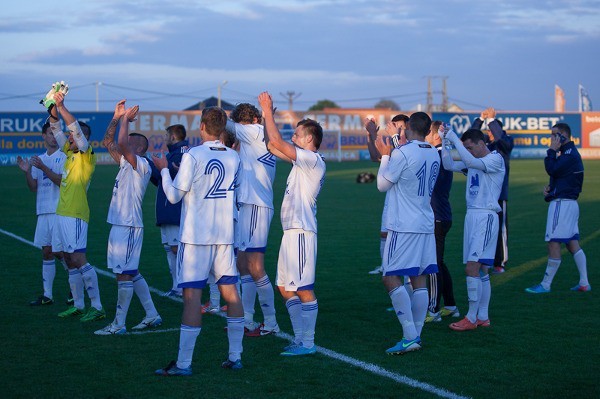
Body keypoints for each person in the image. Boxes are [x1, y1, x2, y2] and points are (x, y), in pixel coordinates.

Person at [154, 106, 244, 376]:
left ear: (203, 126)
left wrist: (164, 171)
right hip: (224, 236)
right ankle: (235, 356)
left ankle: (183, 364)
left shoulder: (193, 154)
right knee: (231, 295)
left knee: (192, 297)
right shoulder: (233, 157)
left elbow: (173, 196)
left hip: (196, 238)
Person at [258, 91, 326, 356]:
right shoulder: (302, 162)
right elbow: (271, 145)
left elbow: (276, 140)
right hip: (291, 233)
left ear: (309, 139)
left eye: (297, 134)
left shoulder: (312, 160)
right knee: (285, 288)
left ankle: (308, 342)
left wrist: (266, 110)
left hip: (301, 232)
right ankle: (299, 338)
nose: (293, 137)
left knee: (304, 289)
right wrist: (268, 119)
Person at [373, 111, 439, 354]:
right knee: (418, 278)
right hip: (425, 222)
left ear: (409, 127)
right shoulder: (433, 151)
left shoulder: (403, 152)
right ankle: (416, 334)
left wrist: (385, 156)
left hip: (404, 225)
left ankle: (410, 336)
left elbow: (382, 185)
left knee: (390, 277)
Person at [94, 100, 162, 335]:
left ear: (139, 149)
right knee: (128, 272)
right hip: (119, 224)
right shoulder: (125, 161)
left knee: (124, 274)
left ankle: (119, 324)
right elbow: (108, 142)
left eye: (130, 142)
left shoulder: (140, 163)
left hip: (129, 225)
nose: (125, 144)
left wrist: (126, 120)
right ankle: (152, 314)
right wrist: (116, 116)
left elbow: (121, 142)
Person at [46, 87, 105, 322]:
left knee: (79, 258)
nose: (68, 138)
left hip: (76, 214)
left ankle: (97, 307)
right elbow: (55, 127)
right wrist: (52, 105)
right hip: (62, 213)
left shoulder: (85, 154)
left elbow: (73, 129)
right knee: (67, 258)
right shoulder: (69, 154)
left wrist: (62, 107)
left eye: (72, 137)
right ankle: (79, 305)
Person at [440, 127, 505, 331]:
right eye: (465, 147)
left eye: (470, 147)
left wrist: (452, 137)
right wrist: (444, 142)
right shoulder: (473, 162)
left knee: (472, 268)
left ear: (481, 143)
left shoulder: (495, 160)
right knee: (482, 270)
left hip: (485, 216)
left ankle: (470, 317)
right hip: (473, 217)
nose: (467, 151)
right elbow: (448, 163)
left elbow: (470, 161)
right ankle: (482, 317)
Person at [225, 103, 279, 336]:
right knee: (243, 264)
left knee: (255, 266)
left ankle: (271, 321)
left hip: (256, 203)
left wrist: (215, 113)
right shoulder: (256, 135)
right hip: (247, 204)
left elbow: (225, 125)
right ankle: (247, 318)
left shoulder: (255, 131)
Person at [525, 123, 591, 293]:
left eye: (554, 135)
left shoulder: (568, 154)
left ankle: (545, 285)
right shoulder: (569, 153)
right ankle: (584, 282)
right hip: (567, 203)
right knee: (572, 243)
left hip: (562, 205)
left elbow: (551, 168)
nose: (552, 138)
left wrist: (551, 151)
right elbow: (558, 176)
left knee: (553, 242)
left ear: (563, 136)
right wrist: (549, 192)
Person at [17, 122, 67, 306]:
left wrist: (43, 168)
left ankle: (75, 286)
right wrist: (27, 172)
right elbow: (33, 188)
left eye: (55, 133)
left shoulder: (63, 157)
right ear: (44, 136)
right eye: (49, 133)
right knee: (46, 252)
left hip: (59, 210)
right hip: (43, 211)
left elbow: (61, 182)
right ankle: (47, 295)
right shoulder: (38, 159)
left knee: (61, 252)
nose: (53, 137)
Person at [364, 115, 409, 276]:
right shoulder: (393, 145)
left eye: (400, 127)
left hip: (406, 203)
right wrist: (370, 135)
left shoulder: (408, 148)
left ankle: (400, 269)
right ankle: (386, 267)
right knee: (384, 233)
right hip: (391, 197)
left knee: (402, 238)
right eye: (394, 125)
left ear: (408, 128)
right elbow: (375, 156)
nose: (395, 129)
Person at [471, 107, 514, 274]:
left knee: (500, 230)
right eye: (488, 130)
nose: (489, 133)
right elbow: (470, 137)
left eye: (491, 130)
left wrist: (491, 121)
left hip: (499, 195)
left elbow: (501, 138)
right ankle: (484, 260)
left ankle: (500, 262)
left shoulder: (505, 143)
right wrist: (480, 119)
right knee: (483, 230)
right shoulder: (484, 146)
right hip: (482, 196)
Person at [424, 121, 459, 322]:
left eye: (428, 132)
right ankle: (451, 305)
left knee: (433, 264)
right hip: (441, 215)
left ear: (436, 135)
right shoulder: (441, 154)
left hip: (436, 217)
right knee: (439, 262)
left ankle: (433, 310)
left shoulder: (437, 156)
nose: (426, 135)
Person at [149, 124, 189, 297]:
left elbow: (177, 180)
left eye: (166, 136)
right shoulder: (174, 154)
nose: (164, 139)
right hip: (167, 211)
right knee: (170, 249)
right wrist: (154, 167)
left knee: (176, 249)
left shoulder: (182, 154)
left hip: (175, 210)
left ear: (173, 137)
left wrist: (157, 167)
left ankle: (182, 286)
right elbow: (161, 181)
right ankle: (176, 286)